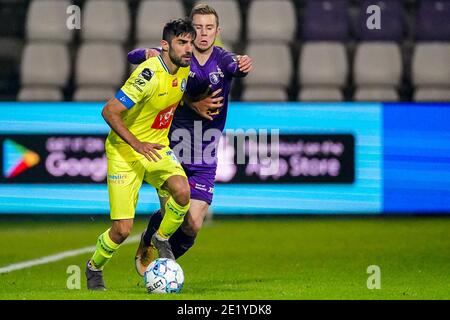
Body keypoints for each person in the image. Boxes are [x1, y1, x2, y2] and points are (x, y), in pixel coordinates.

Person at [129, 4, 253, 276]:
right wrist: (191, 102)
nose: (203, 33)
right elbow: (133, 55)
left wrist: (243, 64)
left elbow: (237, 65)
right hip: (172, 149)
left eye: (209, 28)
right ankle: (154, 251)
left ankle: (161, 263)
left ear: (217, 31)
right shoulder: (177, 57)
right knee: (174, 213)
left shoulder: (221, 60)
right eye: (198, 27)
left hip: (205, 154)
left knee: (193, 225)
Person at [85, 18, 196, 291]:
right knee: (122, 229)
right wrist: (136, 144)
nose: (188, 48)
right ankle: (93, 267)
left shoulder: (184, 69)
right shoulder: (147, 75)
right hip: (126, 151)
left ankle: (160, 238)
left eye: (190, 43)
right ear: (164, 45)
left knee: (182, 192)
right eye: (182, 42)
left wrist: (198, 104)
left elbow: (173, 98)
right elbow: (109, 111)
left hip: (156, 147)